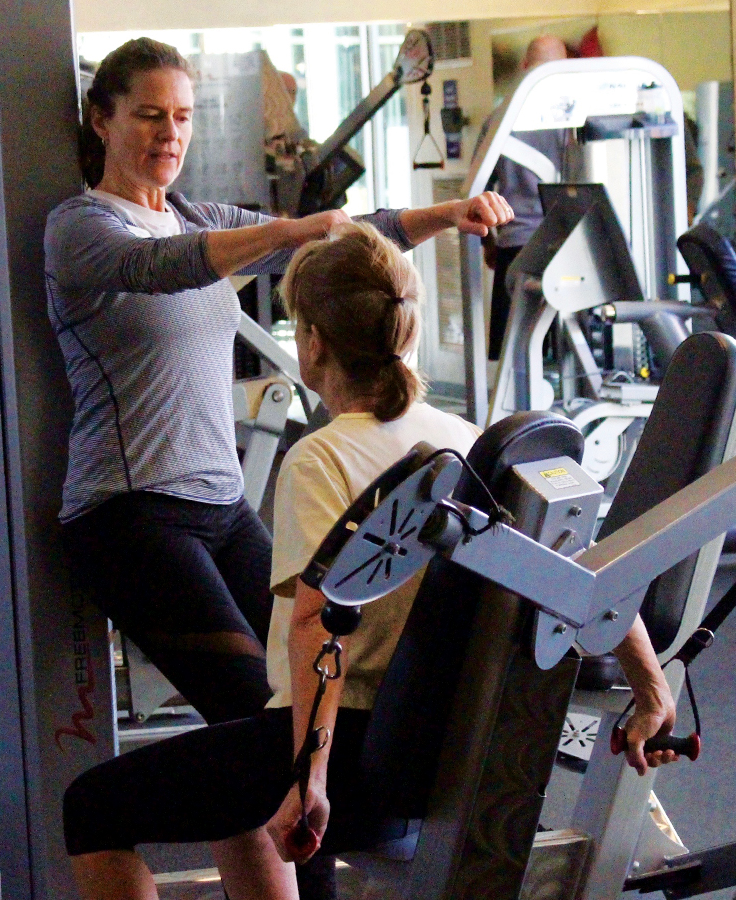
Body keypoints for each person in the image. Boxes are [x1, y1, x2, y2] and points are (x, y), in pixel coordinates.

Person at [62, 221, 680, 900]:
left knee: (92, 807)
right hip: (449, 741)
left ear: (313, 344)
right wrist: (651, 691)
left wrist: (308, 780)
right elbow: (581, 574)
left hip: (361, 756)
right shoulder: (466, 441)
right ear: (406, 334)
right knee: (222, 790)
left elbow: (319, 626)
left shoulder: (320, 458)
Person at [45, 35, 513, 898]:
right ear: (102, 119)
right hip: (127, 516)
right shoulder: (84, 228)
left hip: (221, 507)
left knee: (278, 720)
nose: (168, 134)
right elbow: (162, 268)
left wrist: (442, 218)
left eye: (182, 117)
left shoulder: (197, 217)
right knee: (265, 724)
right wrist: (295, 229)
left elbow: (346, 246)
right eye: (148, 115)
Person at [477, 35, 571, 360]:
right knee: (558, 359)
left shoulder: (499, 119)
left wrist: (489, 242)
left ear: (525, 66)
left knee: (514, 357)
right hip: (559, 247)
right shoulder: (571, 120)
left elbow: (480, 191)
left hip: (514, 246)